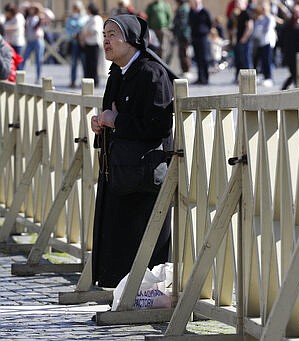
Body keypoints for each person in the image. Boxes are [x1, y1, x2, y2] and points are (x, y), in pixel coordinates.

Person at [90, 14, 178, 288]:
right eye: (104, 34)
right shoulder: (117, 73)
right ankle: (121, 292)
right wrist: (100, 124)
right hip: (119, 171)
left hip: (143, 176)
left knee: (142, 243)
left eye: (113, 34)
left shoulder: (152, 73)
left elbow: (158, 123)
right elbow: (113, 116)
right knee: (118, 239)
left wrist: (116, 120)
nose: (106, 40)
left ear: (132, 40)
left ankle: (143, 296)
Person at [280, 8, 299, 90]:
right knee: (295, 73)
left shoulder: (286, 26)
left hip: (288, 54)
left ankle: (286, 87)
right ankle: (293, 88)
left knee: (294, 73)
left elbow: (281, 40)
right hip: (296, 55)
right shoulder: (298, 27)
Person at [19, 2, 46, 83]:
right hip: (30, 41)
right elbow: (21, 8)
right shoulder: (27, 17)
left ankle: (38, 77)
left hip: (37, 40)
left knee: (38, 60)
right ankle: (20, 76)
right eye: (31, 9)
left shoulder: (39, 18)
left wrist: (39, 8)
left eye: (33, 9)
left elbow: (36, 27)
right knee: (24, 58)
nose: (32, 10)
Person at [252, 1, 277, 87]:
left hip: (267, 42)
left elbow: (265, 29)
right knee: (261, 61)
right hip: (260, 42)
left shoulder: (270, 18)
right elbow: (256, 30)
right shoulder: (260, 18)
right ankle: (264, 76)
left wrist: (259, 30)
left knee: (267, 61)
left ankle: (269, 78)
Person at [80, 3, 103, 86]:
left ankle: (94, 81)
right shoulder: (90, 18)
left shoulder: (96, 18)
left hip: (94, 44)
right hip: (88, 44)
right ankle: (88, 81)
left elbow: (94, 30)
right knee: (87, 64)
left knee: (94, 64)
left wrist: (84, 36)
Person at [65, 1, 87, 88]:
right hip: (74, 42)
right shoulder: (70, 18)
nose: (75, 9)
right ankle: (73, 80)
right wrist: (72, 34)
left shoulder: (84, 17)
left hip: (82, 42)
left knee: (84, 62)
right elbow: (67, 29)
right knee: (74, 62)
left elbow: (84, 27)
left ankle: (85, 80)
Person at [189, 0, 212, 85]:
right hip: (195, 37)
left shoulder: (204, 12)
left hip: (203, 38)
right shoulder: (192, 12)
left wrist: (205, 31)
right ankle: (200, 78)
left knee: (204, 58)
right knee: (197, 59)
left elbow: (209, 23)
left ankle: (205, 78)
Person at [233, 0, 253, 83]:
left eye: (239, 3)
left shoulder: (247, 13)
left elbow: (250, 27)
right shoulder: (239, 14)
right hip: (239, 41)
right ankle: (241, 78)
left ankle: (249, 79)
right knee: (240, 60)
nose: (237, 4)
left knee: (246, 60)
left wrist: (244, 38)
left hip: (245, 42)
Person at [173, 0, 192, 78]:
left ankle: (186, 70)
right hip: (182, 34)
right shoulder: (183, 8)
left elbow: (182, 23)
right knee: (182, 53)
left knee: (184, 53)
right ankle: (184, 70)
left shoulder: (183, 9)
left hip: (183, 35)